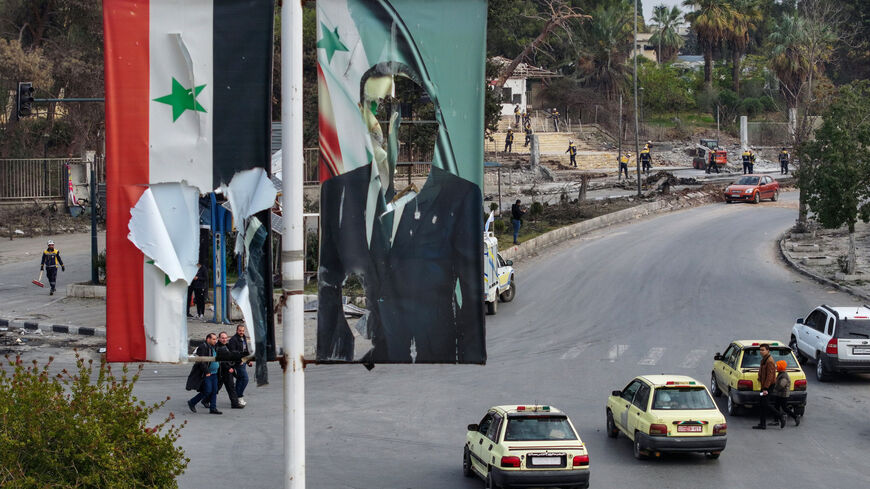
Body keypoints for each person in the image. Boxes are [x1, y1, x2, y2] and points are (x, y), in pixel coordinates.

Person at [317, 60, 485, 364]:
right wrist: (335, 350)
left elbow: (471, 286)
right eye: (375, 108)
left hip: (437, 344)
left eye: (399, 110)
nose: (386, 122)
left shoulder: (460, 195)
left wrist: (469, 352)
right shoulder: (338, 191)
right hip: (376, 349)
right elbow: (329, 276)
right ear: (360, 112)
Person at [186, 333, 222, 415]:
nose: (215, 341)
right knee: (207, 391)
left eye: (215, 339)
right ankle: (192, 402)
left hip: (214, 373)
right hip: (207, 374)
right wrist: (207, 371)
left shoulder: (214, 347)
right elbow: (201, 361)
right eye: (213, 339)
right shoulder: (203, 347)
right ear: (208, 339)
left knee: (214, 391)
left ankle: (213, 408)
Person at [216, 332, 244, 409]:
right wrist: (228, 368)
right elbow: (221, 361)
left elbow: (233, 355)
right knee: (216, 387)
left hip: (228, 371)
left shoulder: (227, 346)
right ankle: (205, 399)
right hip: (222, 371)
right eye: (222, 338)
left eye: (225, 338)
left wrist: (240, 360)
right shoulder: (217, 347)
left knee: (230, 387)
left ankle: (235, 404)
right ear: (219, 338)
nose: (224, 339)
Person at [753, 343, 777, 429]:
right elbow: (762, 372)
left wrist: (765, 388)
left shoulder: (769, 361)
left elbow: (770, 376)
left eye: (763, 350)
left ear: (768, 350)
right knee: (762, 404)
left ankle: (781, 415)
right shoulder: (764, 359)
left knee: (765, 403)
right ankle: (762, 424)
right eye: (760, 350)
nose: (761, 351)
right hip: (764, 385)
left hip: (768, 386)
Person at [228, 324, 252, 405]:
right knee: (245, 379)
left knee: (240, 379)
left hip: (243, 361)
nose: (241, 332)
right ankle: (239, 396)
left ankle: (235, 396)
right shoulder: (233, 340)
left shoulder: (244, 337)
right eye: (240, 331)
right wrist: (241, 359)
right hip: (238, 363)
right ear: (236, 330)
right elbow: (233, 353)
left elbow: (246, 350)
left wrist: (248, 360)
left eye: (242, 331)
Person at [772, 359, 800, 428]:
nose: (776, 367)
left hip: (783, 394)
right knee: (777, 406)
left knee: (784, 407)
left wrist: (774, 389)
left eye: (777, 366)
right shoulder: (781, 373)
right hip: (780, 394)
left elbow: (781, 385)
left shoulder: (784, 375)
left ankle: (795, 417)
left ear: (781, 367)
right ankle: (776, 420)